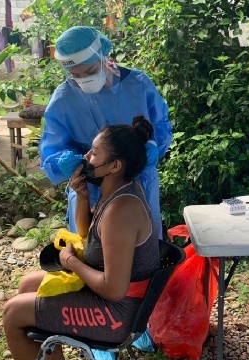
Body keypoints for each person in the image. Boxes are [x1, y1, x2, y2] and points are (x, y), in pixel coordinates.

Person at [4, 116, 161, 360]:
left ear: (115, 166)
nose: (86, 157)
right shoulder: (116, 191)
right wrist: (82, 196)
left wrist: (71, 263)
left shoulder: (121, 210)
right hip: (116, 299)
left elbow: (114, 289)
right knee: (29, 284)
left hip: (117, 315)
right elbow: (91, 236)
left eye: (94, 153)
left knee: (14, 312)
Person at [39, 25, 172, 239]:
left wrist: (152, 146)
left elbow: (161, 125)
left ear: (104, 55)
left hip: (139, 182)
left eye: (90, 71)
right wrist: (63, 161)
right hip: (89, 189)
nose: (84, 80)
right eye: (76, 75)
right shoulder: (64, 99)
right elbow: (52, 148)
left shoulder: (138, 85)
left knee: (141, 247)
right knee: (92, 246)